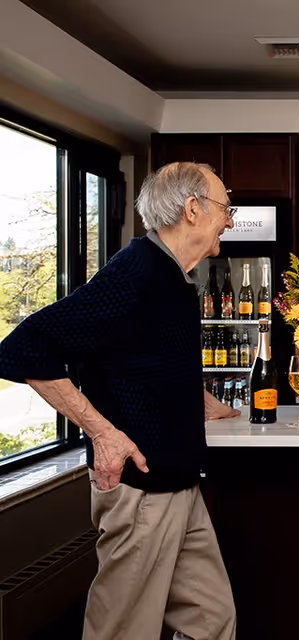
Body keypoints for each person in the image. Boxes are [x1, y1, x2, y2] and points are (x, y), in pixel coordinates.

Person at [0, 162, 240, 640]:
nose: (230, 221)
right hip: (142, 489)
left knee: (211, 620)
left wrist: (203, 401)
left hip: (178, 483)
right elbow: (24, 349)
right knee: (123, 630)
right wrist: (103, 433)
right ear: (193, 210)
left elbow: (144, 359)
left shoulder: (172, 278)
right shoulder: (136, 273)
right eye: (224, 208)